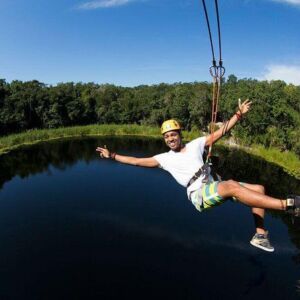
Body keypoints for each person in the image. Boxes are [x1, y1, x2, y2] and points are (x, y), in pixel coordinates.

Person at [96, 99, 300, 253]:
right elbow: (136, 161)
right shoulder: (164, 159)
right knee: (229, 185)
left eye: (173, 134)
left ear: (180, 134)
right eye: (166, 137)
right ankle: (288, 205)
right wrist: (112, 155)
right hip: (199, 195)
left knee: (259, 189)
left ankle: (260, 235)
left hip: (212, 185)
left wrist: (239, 115)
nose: (170, 139)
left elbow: (221, 133)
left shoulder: (196, 144)